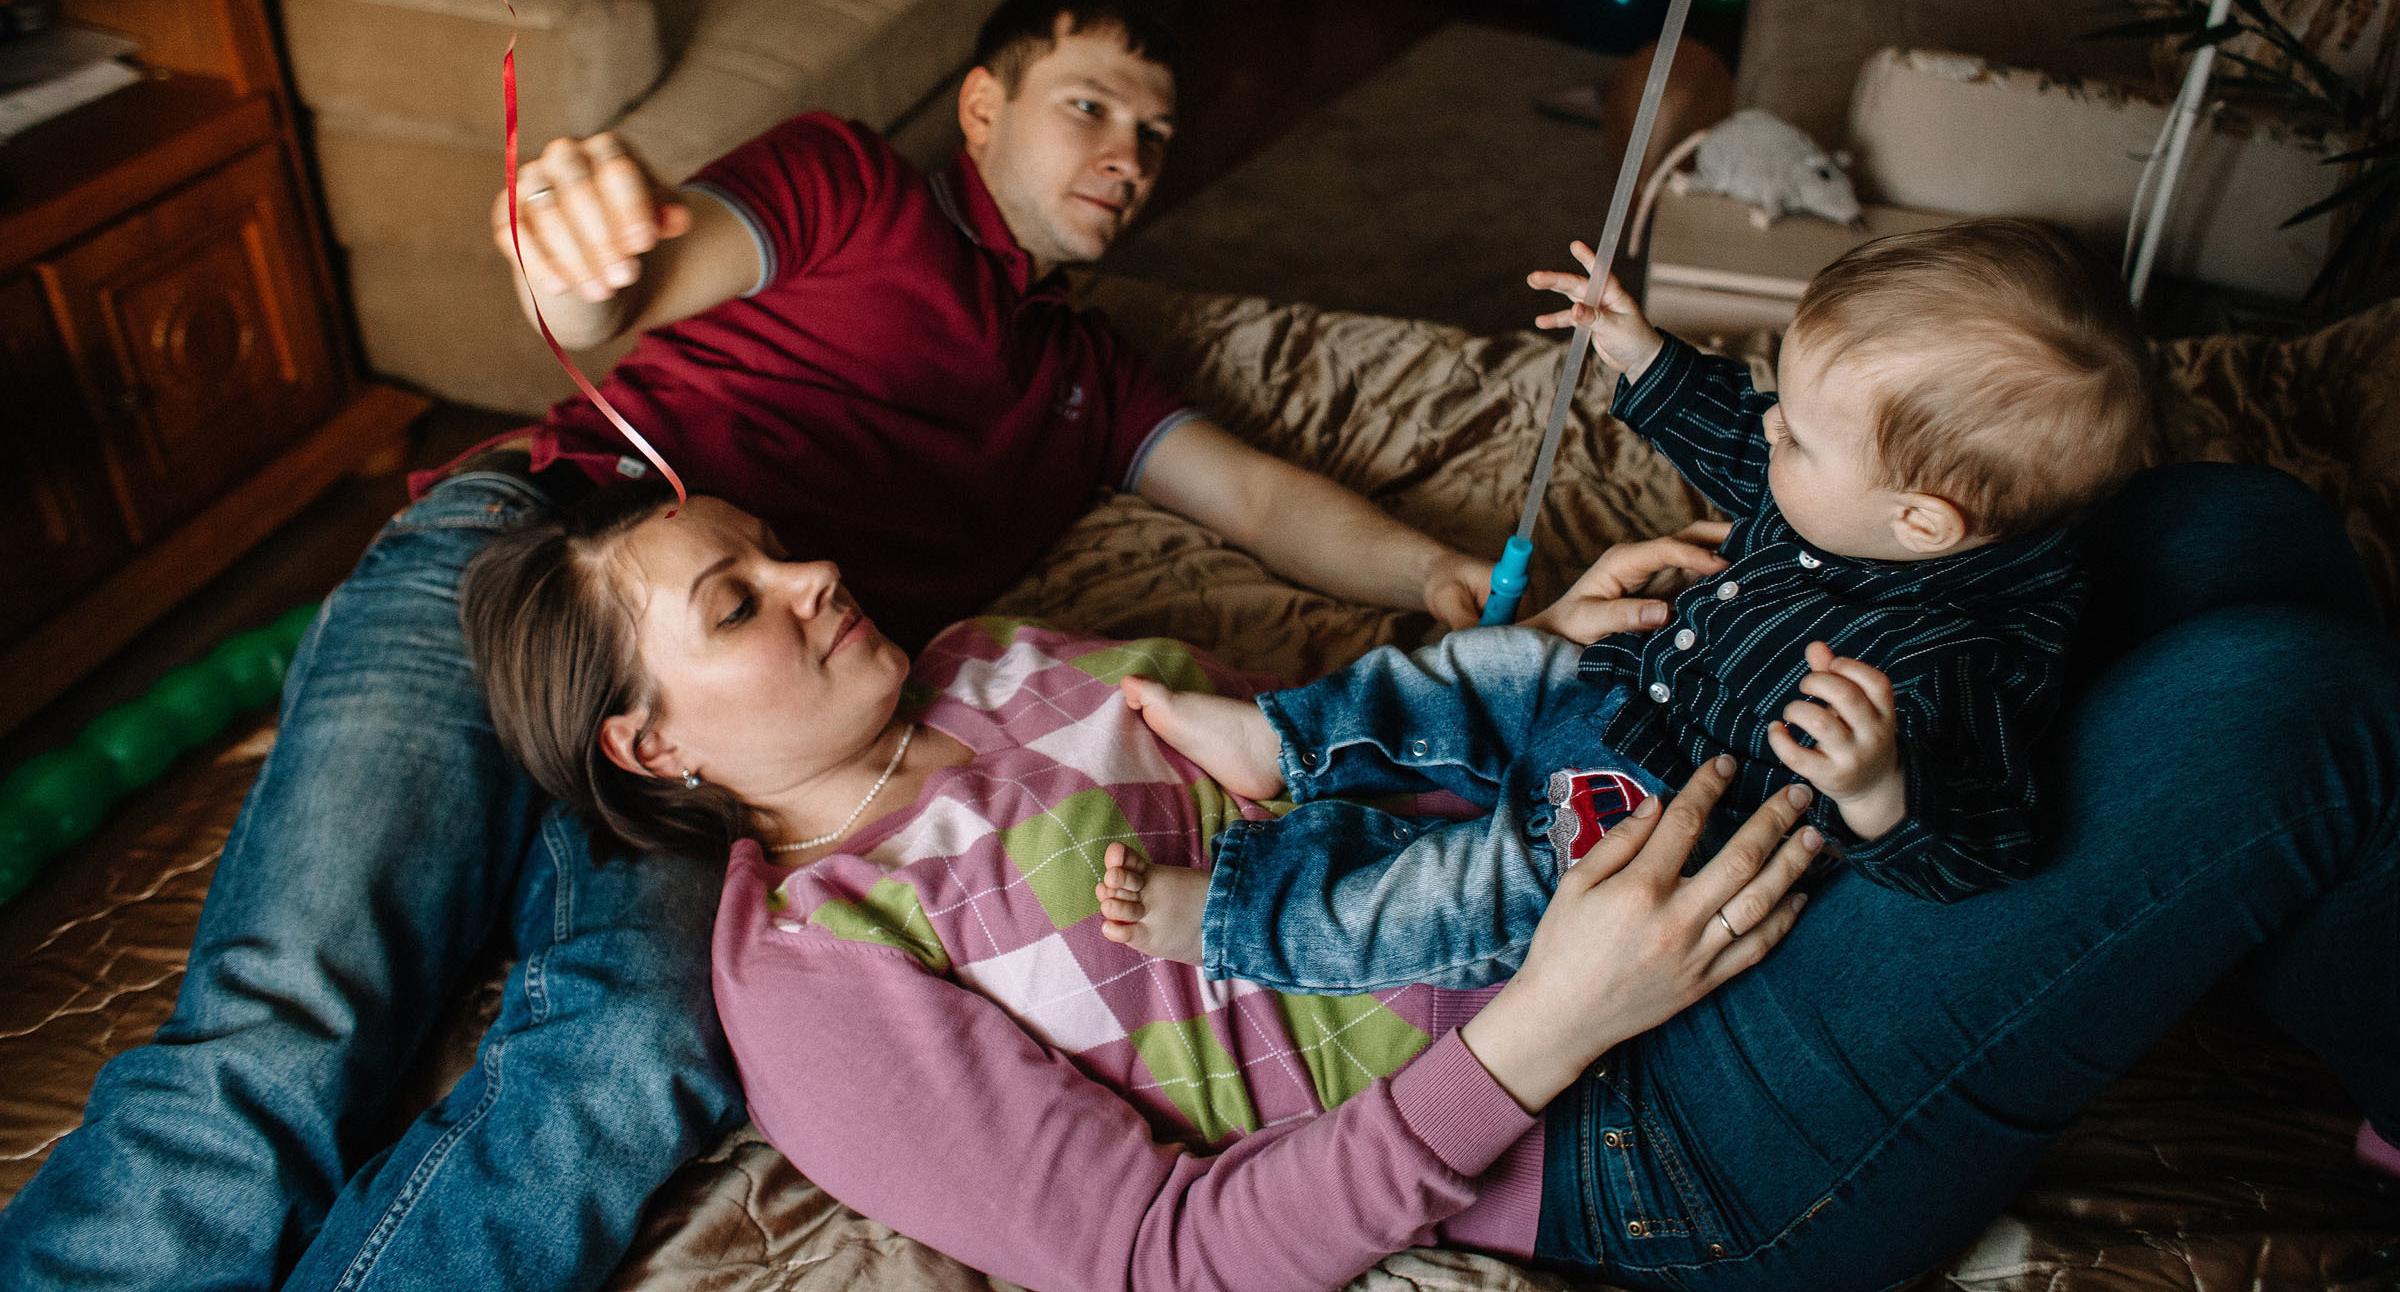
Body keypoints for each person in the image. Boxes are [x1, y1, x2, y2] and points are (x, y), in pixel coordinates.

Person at [0, 0, 1490, 1292]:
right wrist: (581, 255)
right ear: (982, 106)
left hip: (725, 725)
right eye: (1087, 105)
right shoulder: (855, 188)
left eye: (1154, 136)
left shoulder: (1087, 380)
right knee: (287, 1030)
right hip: (517, 567)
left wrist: (1448, 579)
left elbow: (1261, 497)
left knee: (635, 1051)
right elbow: (632, 275)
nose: (1123, 156)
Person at [456, 462, 2399, 1292]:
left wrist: (1534, 669)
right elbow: (1159, 1257)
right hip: (1663, 1129)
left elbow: (1320, 778)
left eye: (774, 547)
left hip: (1627, 834)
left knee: (2220, 530)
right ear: (652, 744)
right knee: (2279, 700)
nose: (813, 578)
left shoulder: (984, 658)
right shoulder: (815, 970)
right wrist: (1551, 1027)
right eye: (740, 602)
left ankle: (2287, 953)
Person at [1095, 218, 2155, 990]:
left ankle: (1242, 914)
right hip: (1620, 679)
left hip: (1644, 819)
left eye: (1801, 433)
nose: (1769, 425)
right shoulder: (1857, 493)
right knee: (1473, 671)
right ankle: (1283, 743)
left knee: (1467, 890)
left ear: (1923, 523)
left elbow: (1991, 844)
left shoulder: (1964, 658)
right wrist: (1645, 356)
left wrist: (1883, 791)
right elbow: (1742, 440)